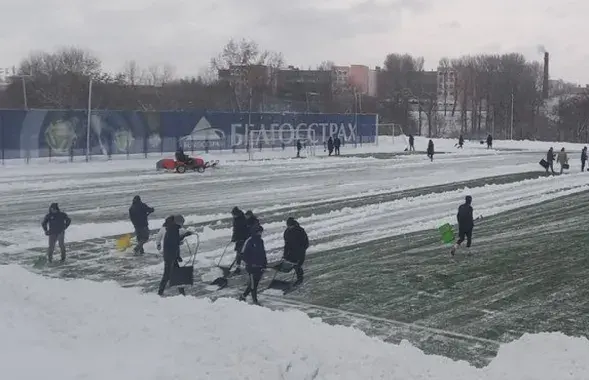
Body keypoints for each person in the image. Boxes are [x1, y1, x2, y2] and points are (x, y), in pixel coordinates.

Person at [158, 215, 192, 296]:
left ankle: (182, 293)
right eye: (182, 223)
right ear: (178, 222)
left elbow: (175, 239)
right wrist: (184, 236)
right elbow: (175, 241)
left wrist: (185, 235)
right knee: (167, 275)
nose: (182, 225)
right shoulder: (172, 229)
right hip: (170, 255)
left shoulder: (172, 228)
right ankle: (160, 292)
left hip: (172, 254)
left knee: (177, 273)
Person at [239, 224, 267, 305]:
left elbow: (263, 253)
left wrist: (264, 263)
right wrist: (250, 262)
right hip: (251, 267)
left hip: (260, 266)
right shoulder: (249, 241)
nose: (260, 234)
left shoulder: (261, 241)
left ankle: (243, 296)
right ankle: (255, 301)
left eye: (261, 232)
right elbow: (242, 254)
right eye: (259, 232)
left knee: (254, 284)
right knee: (253, 285)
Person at [282, 217, 309, 286]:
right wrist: (285, 255)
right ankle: (299, 278)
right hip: (291, 252)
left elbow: (305, 242)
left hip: (300, 252)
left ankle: (300, 279)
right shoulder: (287, 232)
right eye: (288, 226)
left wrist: (302, 251)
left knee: (297, 265)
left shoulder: (300, 230)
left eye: (290, 226)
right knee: (292, 265)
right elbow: (286, 244)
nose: (289, 227)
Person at [231, 207, 249, 274]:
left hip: (243, 238)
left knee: (241, 253)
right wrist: (233, 237)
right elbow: (235, 230)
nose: (233, 216)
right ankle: (238, 267)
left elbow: (243, 230)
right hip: (238, 239)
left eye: (233, 214)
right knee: (239, 253)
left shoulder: (242, 219)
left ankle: (250, 265)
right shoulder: (236, 219)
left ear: (237, 213)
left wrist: (242, 238)